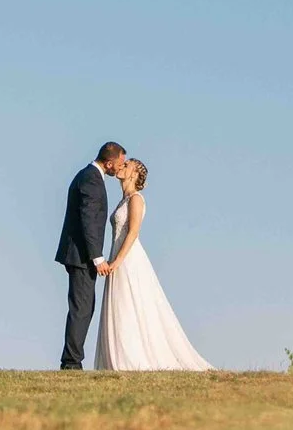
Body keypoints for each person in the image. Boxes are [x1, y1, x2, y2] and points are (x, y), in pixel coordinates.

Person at [91, 157, 213, 372]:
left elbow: (133, 231)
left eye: (126, 165)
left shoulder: (136, 199)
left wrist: (118, 260)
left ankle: (132, 358)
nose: (121, 166)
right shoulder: (122, 200)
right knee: (119, 305)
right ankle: (116, 357)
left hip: (128, 258)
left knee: (130, 304)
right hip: (115, 255)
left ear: (134, 174)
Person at [55, 142, 124, 369]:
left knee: (84, 307)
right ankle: (71, 363)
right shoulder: (92, 179)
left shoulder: (87, 175)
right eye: (120, 163)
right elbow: (88, 220)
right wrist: (98, 257)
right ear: (109, 162)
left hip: (79, 255)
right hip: (82, 257)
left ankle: (72, 359)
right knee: (82, 308)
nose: (120, 168)